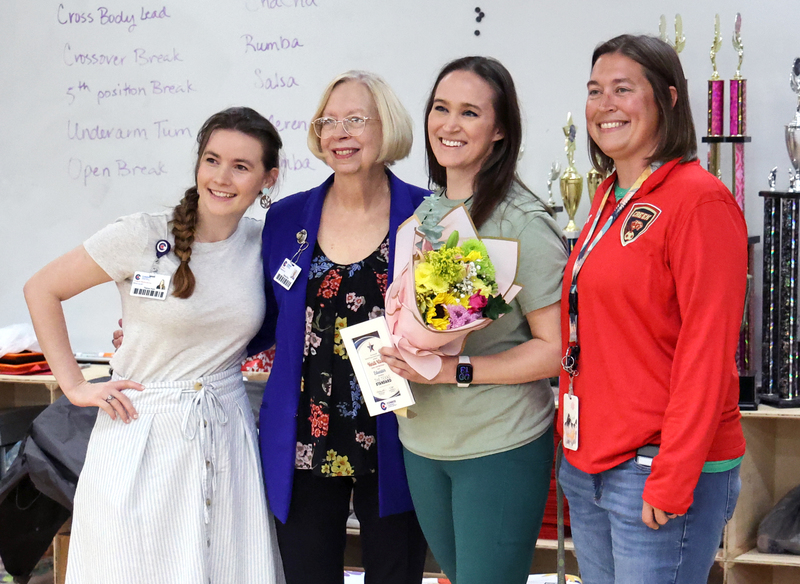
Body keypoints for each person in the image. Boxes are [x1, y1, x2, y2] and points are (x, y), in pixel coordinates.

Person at [23, 107, 285, 584]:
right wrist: (76, 385)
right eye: (212, 159)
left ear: (268, 179)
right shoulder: (141, 234)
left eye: (241, 166)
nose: (221, 178)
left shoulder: (263, 243)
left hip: (226, 433)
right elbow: (42, 289)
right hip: (142, 429)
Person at [556, 34, 747, 584]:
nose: (604, 104)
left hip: (657, 467)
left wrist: (673, 474)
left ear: (667, 99)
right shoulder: (608, 198)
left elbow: (707, 353)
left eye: (623, 89)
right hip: (590, 462)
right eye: (595, 91)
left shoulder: (699, 200)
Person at [380, 56, 568, 584]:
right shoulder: (427, 214)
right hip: (423, 443)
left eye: (469, 112)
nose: (450, 125)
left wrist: (455, 370)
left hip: (497, 445)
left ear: (500, 129)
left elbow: (556, 349)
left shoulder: (521, 223)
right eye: (441, 109)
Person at [250, 71, 429, 584]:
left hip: (398, 431)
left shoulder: (429, 215)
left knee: (396, 575)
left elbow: (458, 321)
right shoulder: (284, 219)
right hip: (305, 434)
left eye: (355, 119)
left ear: (387, 126)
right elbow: (258, 319)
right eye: (328, 121)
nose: (338, 132)